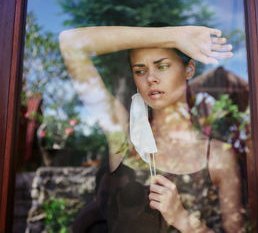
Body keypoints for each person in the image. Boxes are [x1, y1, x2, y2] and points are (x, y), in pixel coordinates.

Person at [59, 25, 245, 232]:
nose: (150, 78)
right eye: (140, 70)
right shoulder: (124, 136)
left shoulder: (217, 156)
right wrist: (174, 36)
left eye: (162, 66)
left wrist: (182, 219)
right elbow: (71, 44)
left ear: (189, 69)